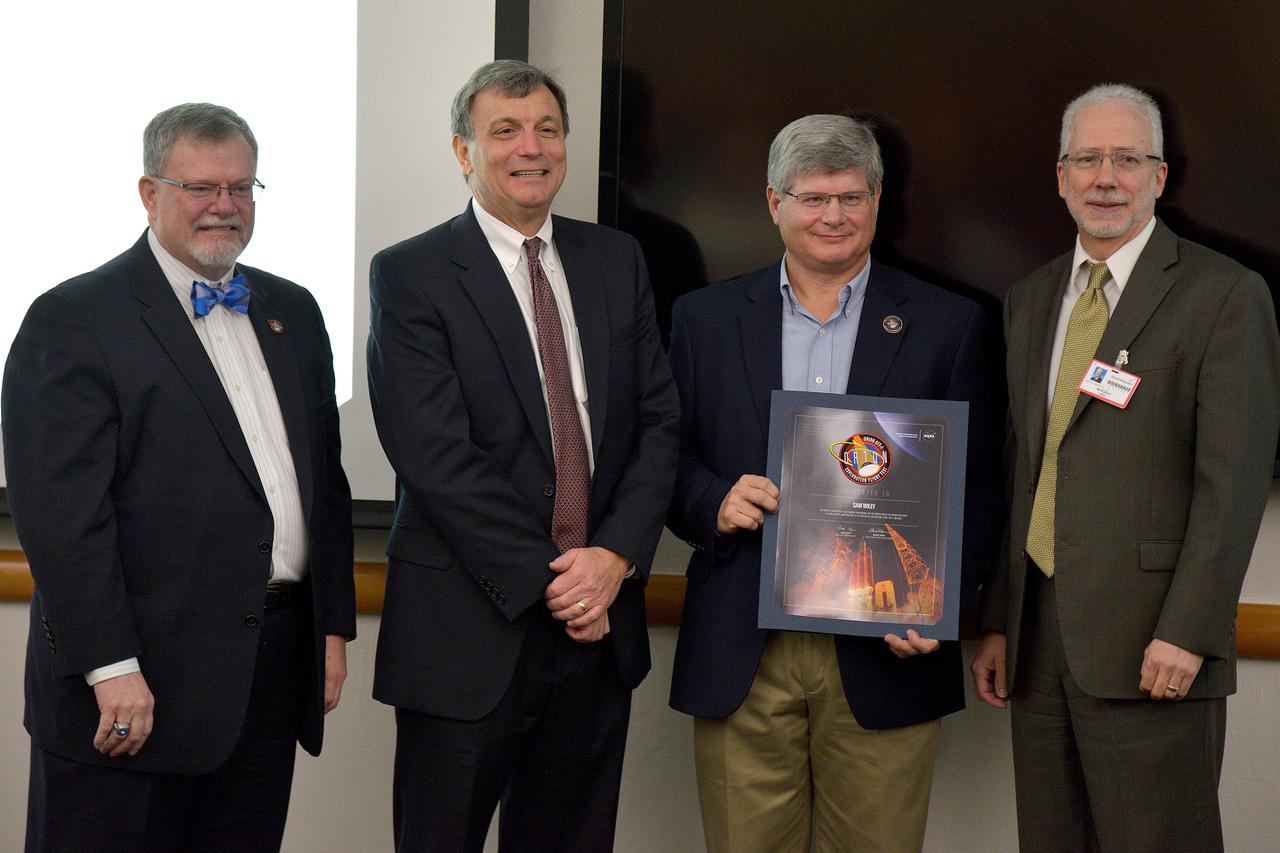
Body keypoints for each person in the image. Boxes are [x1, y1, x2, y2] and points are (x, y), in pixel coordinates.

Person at [3, 103, 356, 851]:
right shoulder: (74, 318)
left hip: (267, 675)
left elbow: (322, 482)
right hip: (135, 686)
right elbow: (64, 518)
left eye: (241, 187)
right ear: (148, 192)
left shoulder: (291, 308)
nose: (223, 206)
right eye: (200, 187)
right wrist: (111, 664)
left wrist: (329, 624)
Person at [366, 60, 679, 852]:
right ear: (463, 151)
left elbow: (659, 422)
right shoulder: (411, 274)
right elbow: (434, 457)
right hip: (469, 629)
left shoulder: (616, 259)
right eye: (504, 130)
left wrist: (611, 558)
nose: (529, 147)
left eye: (546, 128)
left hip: (597, 629)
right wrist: (562, 579)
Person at [666, 114, 1001, 853]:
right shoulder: (704, 319)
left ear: (878, 200)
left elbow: (979, 488)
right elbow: (666, 460)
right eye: (813, 197)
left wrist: (944, 600)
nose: (833, 216)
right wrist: (713, 501)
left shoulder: (951, 324)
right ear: (773, 201)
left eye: (851, 197)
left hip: (888, 644)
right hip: (742, 644)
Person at [972, 82, 1280, 852]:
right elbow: (1025, 465)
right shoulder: (1030, 298)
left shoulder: (1225, 294)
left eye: (1127, 159)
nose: (1106, 177)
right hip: (1037, 648)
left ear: (1160, 177)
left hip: (1155, 648)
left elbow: (1233, 483)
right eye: (1087, 159)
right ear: (1061, 176)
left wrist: (1190, 630)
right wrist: (1002, 619)